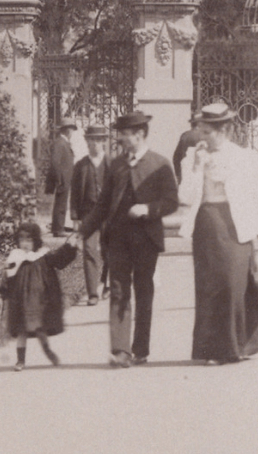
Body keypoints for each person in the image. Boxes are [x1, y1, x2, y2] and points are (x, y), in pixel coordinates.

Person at [78, 111, 179, 368]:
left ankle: (140, 349)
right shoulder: (116, 165)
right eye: (120, 133)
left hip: (146, 239)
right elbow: (102, 205)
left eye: (124, 134)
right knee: (119, 291)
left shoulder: (160, 163)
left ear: (140, 134)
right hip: (118, 238)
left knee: (143, 291)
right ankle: (121, 350)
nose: (120, 139)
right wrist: (82, 231)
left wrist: (148, 209)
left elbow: (171, 202)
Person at [177, 103, 258, 364]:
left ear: (225, 130)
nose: (202, 137)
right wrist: (196, 168)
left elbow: (254, 199)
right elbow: (184, 197)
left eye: (208, 132)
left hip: (236, 225)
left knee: (235, 285)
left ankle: (241, 345)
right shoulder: (192, 157)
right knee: (210, 287)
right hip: (207, 224)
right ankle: (215, 351)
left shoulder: (244, 157)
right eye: (201, 131)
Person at [0, 222, 77, 371]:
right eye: (21, 240)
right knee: (22, 329)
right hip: (21, 301)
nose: (25, 243)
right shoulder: (15, 257)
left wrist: (70, 247)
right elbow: (7, 277)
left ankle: (48, 351)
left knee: (39, 329)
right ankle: (20, 360)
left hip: (39, 301)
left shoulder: (42, 255)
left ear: (35, 240)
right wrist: (3, 292)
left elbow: (59, 259)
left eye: (29, 239)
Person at [70, 125, 113, 306]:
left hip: (109, 214)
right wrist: (75, 218)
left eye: (98, 140)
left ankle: (107, 282)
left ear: (104, 142)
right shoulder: (81, 165)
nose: (95, 144)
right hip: (88, 214)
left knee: (109, 250)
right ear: (87, 141)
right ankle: (92, 292)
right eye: (91, 140)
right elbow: (74, 193)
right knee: (89, 250)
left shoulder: (112, 164)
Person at [46, 119, 78, 236]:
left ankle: (58, 227)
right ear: (67, 130)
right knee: (61, 204)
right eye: (72, 131)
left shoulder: (63, 143)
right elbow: (55, 163)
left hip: (65, 179)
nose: (72, 133)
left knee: (62, 203)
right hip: (62, 180)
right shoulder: (60, 143)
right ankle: (58, 229)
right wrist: (59, 179)